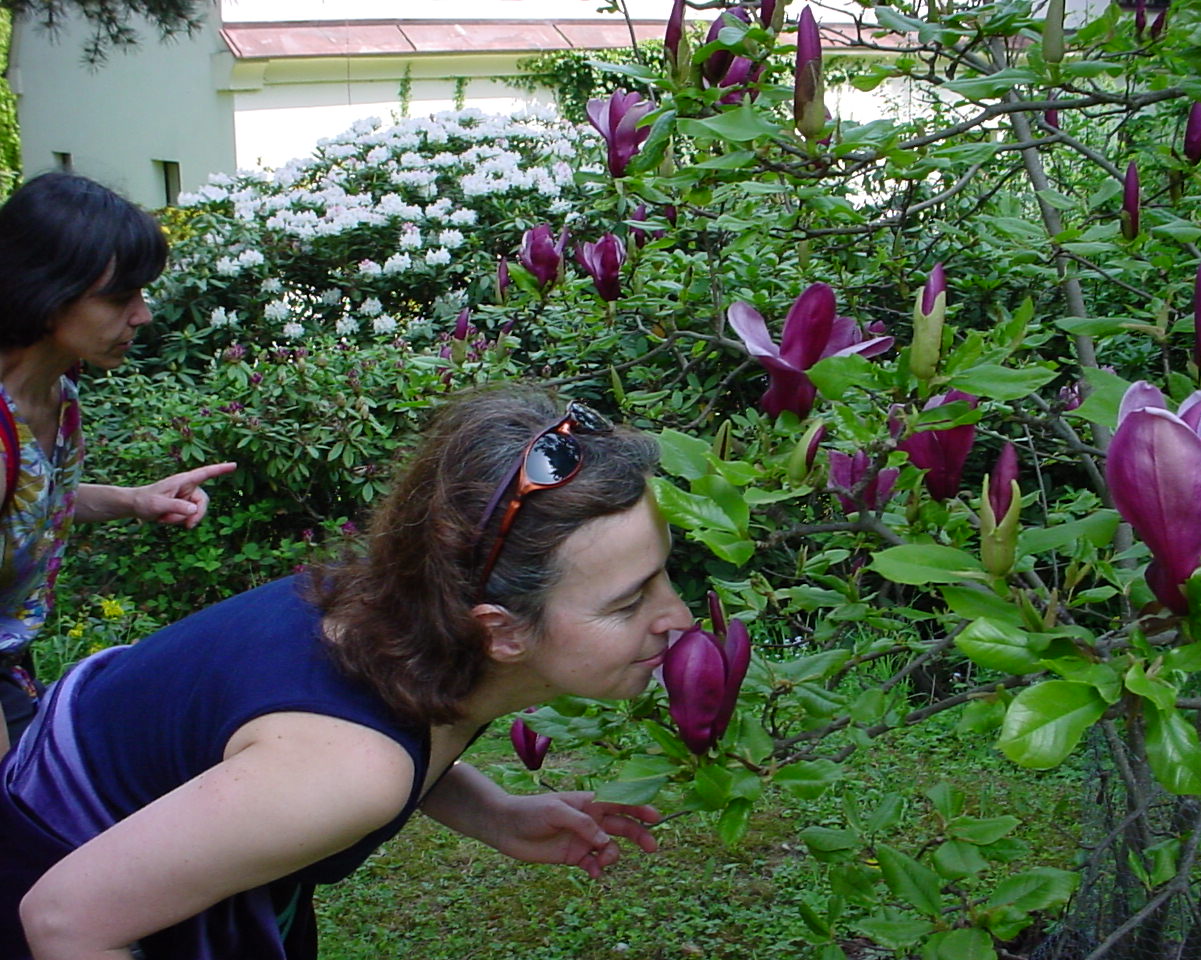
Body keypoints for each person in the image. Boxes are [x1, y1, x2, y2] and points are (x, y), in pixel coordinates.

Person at [0, 385, 693, 959]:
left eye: (663, 574)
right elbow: (64, 922)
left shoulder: (394, 617)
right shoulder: (350, 772)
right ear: (500, 631)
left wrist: (493, 813)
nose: (680, 617)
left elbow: (372, 729)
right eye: (628, 602)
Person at [0, 172, 237, 755]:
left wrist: (135, 500)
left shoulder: (57, 387)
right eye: (119, 297)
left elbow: (28, 500)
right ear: (43, 291)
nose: (143, 314)